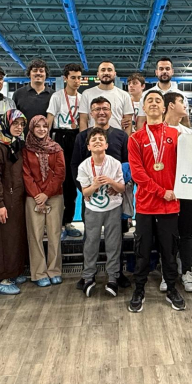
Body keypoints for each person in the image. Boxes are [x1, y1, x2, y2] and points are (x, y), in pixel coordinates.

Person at [127, 90, 186, 313]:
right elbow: (138, 174)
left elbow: (189, 164)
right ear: (143, 108)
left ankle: (171, 289)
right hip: (146, 205)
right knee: (142, 251)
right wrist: (162, 192)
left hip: (170, 206)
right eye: (149, 100)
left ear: (164, 107)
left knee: (169, 252)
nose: (153, 103)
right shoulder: (135, 138)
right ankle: (139, 290)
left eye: (157, 100)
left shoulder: (176, 135)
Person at [71, 97, 131, 289]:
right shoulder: (82, 137)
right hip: (91, 198)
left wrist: (121, 184)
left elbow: (128, 164)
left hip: (115, 197)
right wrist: (85, 190)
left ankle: (117, 274)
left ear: (111, 112)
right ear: (91, 113)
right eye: (97, 109)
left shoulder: (121, 136)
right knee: (90, 238)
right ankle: (87, 275)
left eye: (105, 108)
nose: (101, 112)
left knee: (116, 238)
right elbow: (75, 165)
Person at [77, 127, 126, 297]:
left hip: (113, 208)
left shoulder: (115, 163)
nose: (97, 141)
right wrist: (95, 185)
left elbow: (121, 188)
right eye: (93, 140)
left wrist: (111, 182)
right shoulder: (84, 166)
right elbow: (85, 192)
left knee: (114, 244)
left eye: (101, 139)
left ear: (106, 145)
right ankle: (88, 276)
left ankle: (113, 277)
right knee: (91, 243)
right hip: (93, 209)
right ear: (89, 147)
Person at [0, 109, 28, 295]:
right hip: (2, 202)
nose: (19, 127)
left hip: (15, 200)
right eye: (15, 123)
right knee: (2, 240)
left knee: (13, 239)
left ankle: (13, 272)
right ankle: (0, 278)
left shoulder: (14, 144)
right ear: (5, 124)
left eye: (22, 124)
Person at [23, 115, 66, 288]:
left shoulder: (56, 148)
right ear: (32, 129)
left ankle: (54, 270)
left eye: (45, 126)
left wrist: (46, 194)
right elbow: (26, 174)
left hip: (54, 196)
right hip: (33, 198)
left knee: (55, 234)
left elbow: (60, 173)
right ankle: (39, 273)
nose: (41, 129)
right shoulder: (26, 149)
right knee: (35, 235)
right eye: (38, 126)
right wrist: (37, 195)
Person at [163, 92, 192, 293]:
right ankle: (167, 273)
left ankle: (187, 271)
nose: (185, 105)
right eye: (182, 102)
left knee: (186, 233)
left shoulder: (188, 133)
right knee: (166, 234)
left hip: (186, 191)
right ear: (170, 105)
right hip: (165, 191)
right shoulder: (158, 130)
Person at [47, 63, 83, 238]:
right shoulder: (57, 96)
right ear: (65, 78)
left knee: (72, 183)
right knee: (58, 181)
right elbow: (49, 119)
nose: (76, 81)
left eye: (79, 78)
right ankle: (56, 223)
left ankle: (68, 221)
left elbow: (84, 120)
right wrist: (45, 143)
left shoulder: (82, 98)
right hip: (59, 137)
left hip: (76, 137)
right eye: (73, 77)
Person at [78, 61, 133, 133]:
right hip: (94, 137)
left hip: (116, 137)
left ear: (114, 74)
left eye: (109, 70)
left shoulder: (124, 95)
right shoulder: (86, 94)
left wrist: (126, 139)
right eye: (103, 70)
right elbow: (83, 120)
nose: (106, 73)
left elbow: (128, 123)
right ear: (98, 74)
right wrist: (84, 138)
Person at [136, 58, 190, 129]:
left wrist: (187, 135)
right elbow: (141, 121)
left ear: (172, 71)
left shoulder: (182, 96)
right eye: (161, 69)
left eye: (167, 69)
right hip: (152, 134)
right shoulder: (145, 95)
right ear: (156, 72)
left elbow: (185, 121)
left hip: (176, 134)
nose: (164, 71)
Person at [13, 58, 53, 133]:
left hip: (46, 139)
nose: (38, 73)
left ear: (46, 74)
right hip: (23, 138)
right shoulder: (18, 94)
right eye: (35, 70)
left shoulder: (54, 95)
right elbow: (13, 119)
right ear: (29, 74)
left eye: (41, 71)